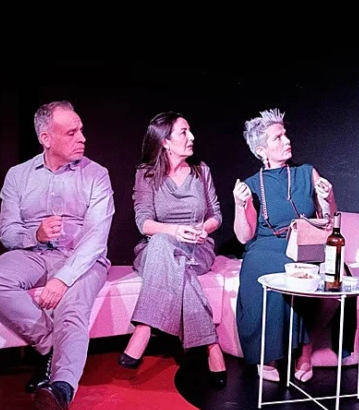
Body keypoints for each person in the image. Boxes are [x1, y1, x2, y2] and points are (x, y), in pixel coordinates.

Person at [0, 100, 115, 410]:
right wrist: (34, 234)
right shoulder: (18, 176)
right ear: (46, 138)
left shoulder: (97, 175)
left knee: (72, 308)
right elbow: (6, 232)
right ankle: (52, 345)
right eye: (71, 132)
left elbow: (96, 238)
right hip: (34, 252)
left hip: (82, 258)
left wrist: (63, 279)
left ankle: (61, 390)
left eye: (81, 129)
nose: (82, 137)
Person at [118, 112, 227, 388]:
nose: (192, 137)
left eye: (190, 131)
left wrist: (204, 229)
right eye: (183, 132)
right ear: (165, 142)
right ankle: (211, 345)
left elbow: (216, 215)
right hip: (156, 248)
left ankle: (144, 327)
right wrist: (175, 231)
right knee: (163, 245)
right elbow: (144, 222)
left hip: (197, 248)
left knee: (178, 261)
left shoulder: (201, 172)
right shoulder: (146, 174)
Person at [233, 108, 336, 383]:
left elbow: (328, 221)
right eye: (278, 138)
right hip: (266, 246)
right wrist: (240, 205)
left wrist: (327, 197)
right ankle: (266, 355)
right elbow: (244, 236)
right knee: (278, 268)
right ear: (261, 150)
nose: (287, 140)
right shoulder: (252, 184)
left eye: (285, 134)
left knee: (334, 279)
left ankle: (305, 351)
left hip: (304, 243)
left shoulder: (307, 173)